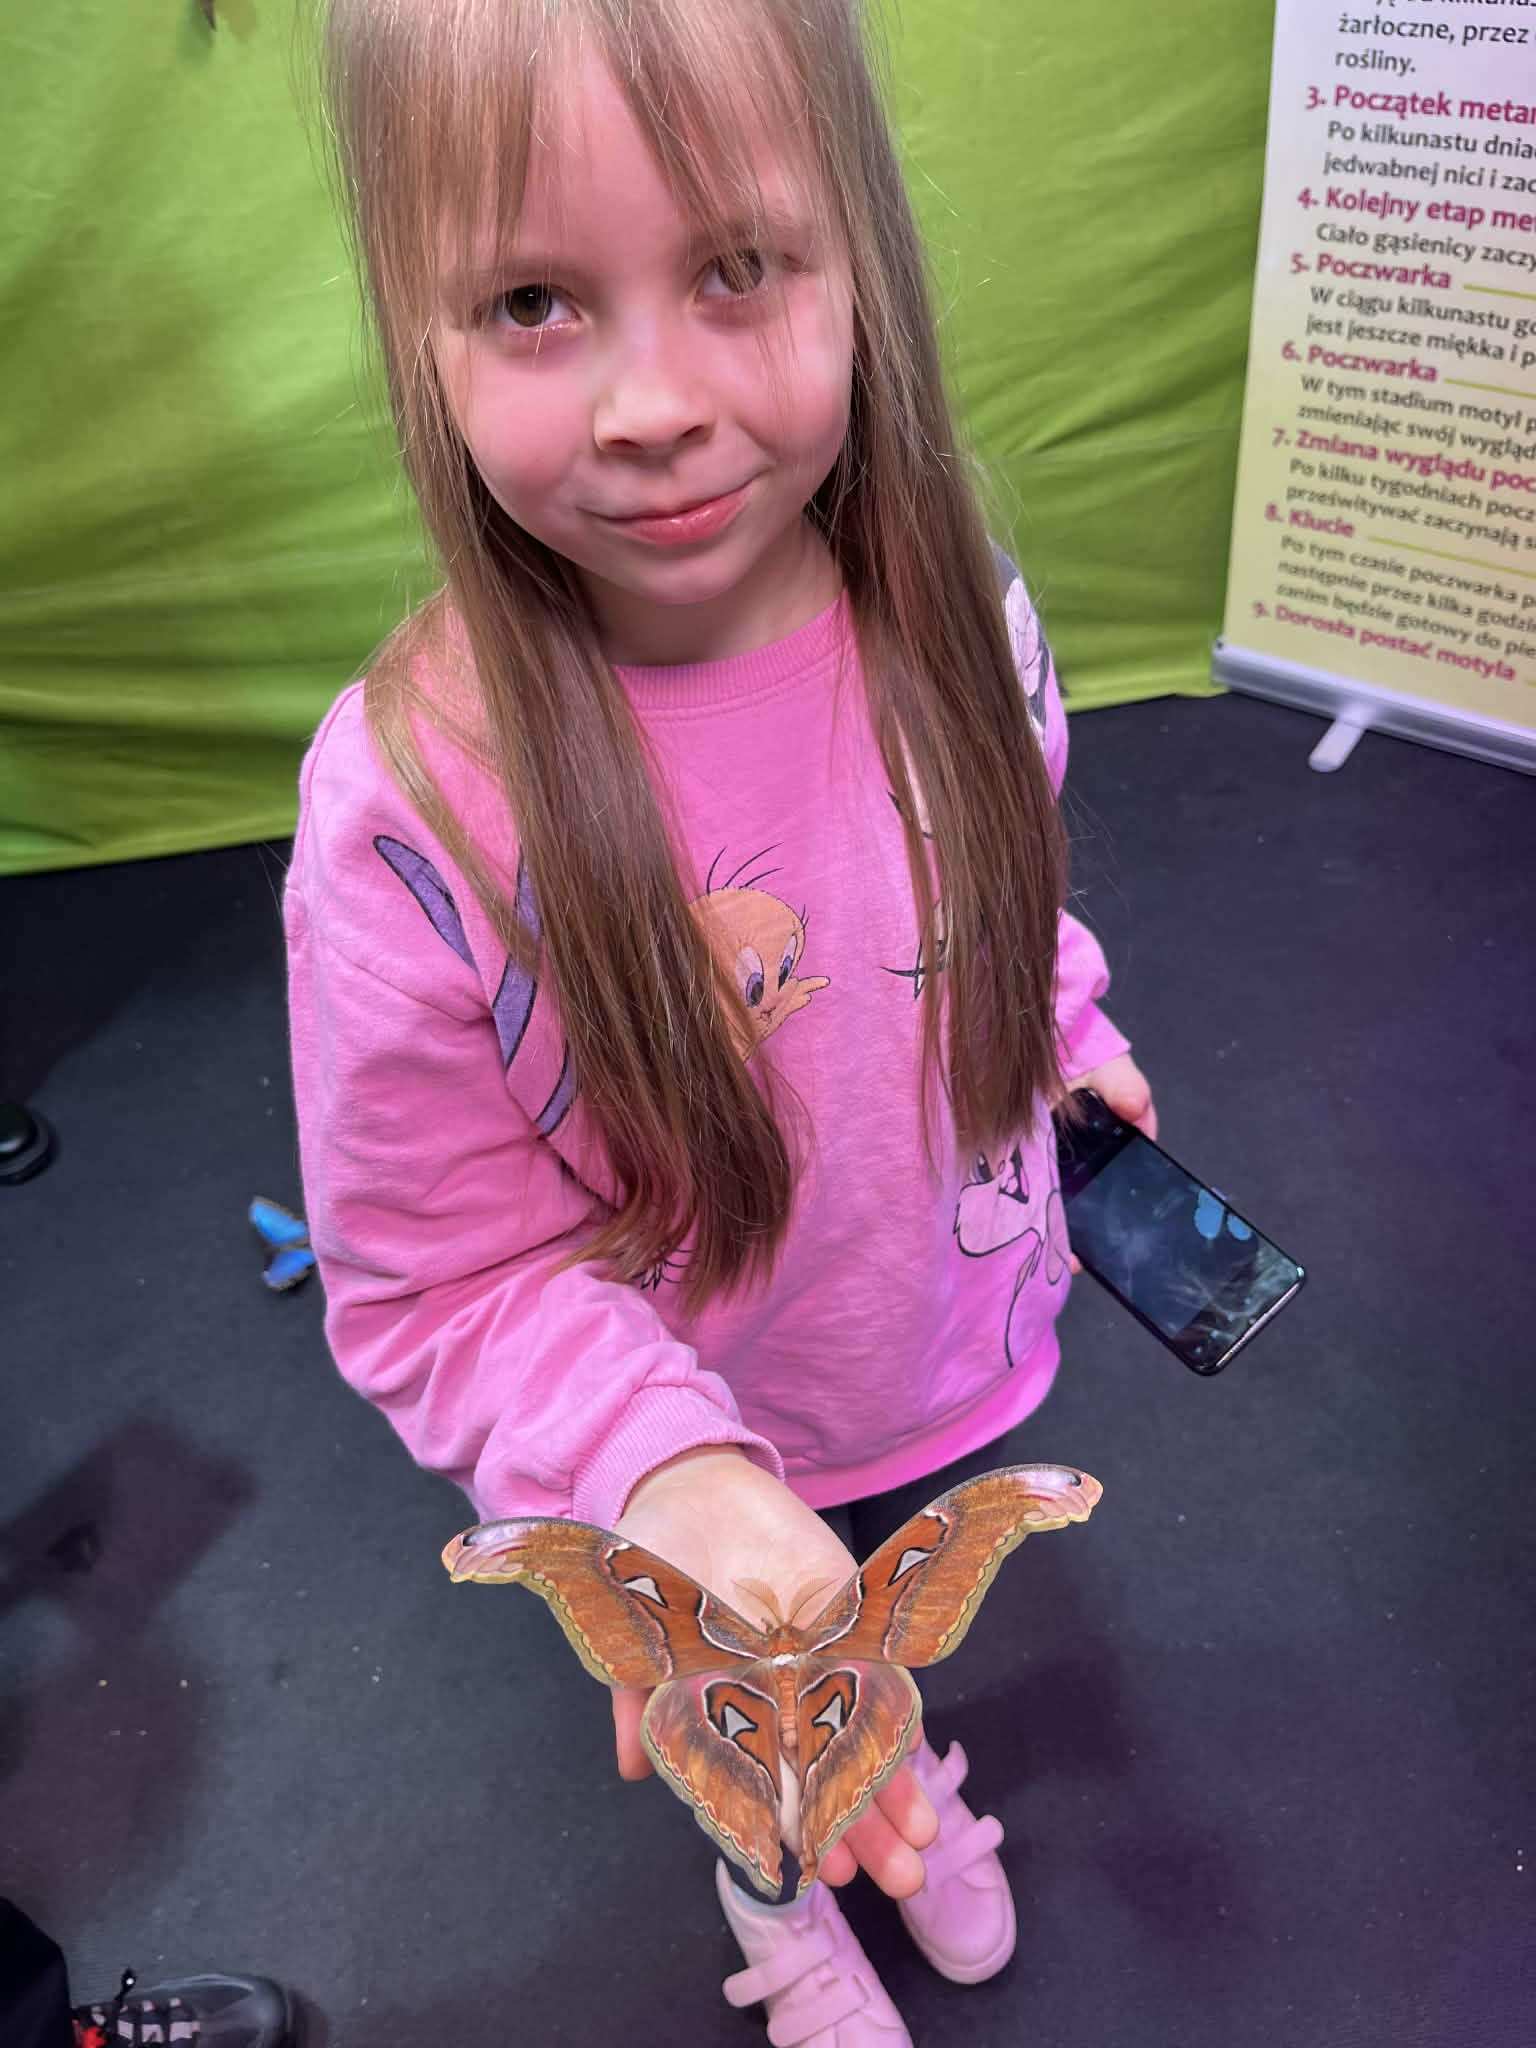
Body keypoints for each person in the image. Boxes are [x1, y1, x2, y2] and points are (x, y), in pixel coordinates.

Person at [288, 2, 1156, 2039]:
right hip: (690, 1441)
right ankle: (778, 1895)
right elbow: (434, 1278)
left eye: (738, 268)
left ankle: (893, 1761)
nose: (654, 405)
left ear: (861, 256)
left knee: (882, 1639)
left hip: (942, 1346)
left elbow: (998, 885)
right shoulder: (411, 812)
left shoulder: (963, 611)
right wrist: (667, 1474)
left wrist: (1058, 1033)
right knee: (756, 1730)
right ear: (419, 328)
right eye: (533, 301)